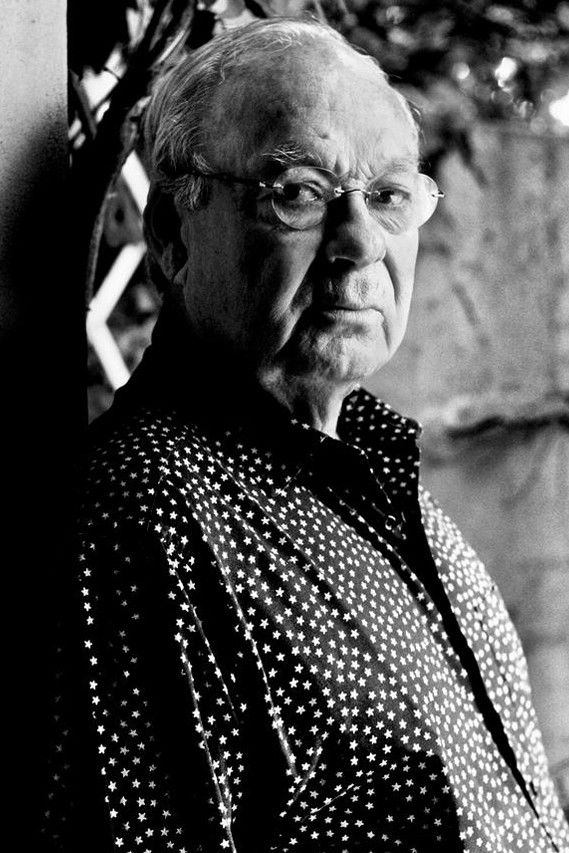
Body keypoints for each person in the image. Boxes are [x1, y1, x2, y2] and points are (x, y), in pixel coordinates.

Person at [43, 17, 569, 853]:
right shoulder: (144, 523)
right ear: (172, 235)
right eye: (296, 193)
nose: (359, 242)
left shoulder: (395, 504)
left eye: (388, 196)